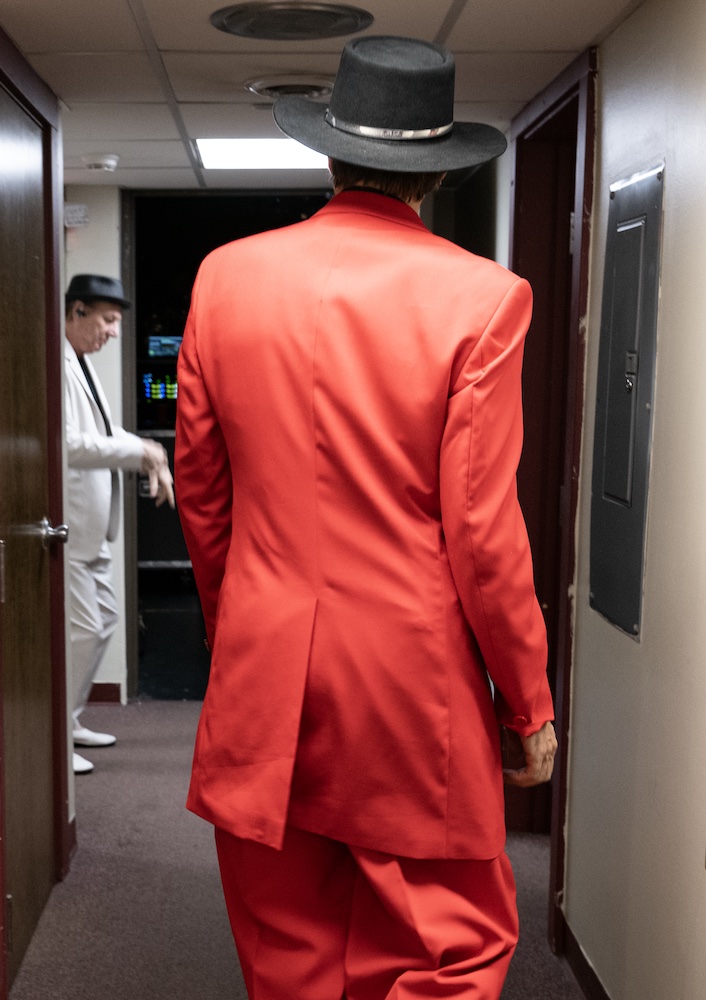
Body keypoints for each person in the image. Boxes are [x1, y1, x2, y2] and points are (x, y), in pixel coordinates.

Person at [174, 35, 557, 1000]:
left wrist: (238, 631)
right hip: (406, 685)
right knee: (452, 950)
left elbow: (203, 491)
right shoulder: (484, 298)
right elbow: (482, 531)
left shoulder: (224, 276)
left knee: (288, 951)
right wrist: (526, 703)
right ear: (435, 175)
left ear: (330, 157)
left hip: (262, 667)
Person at [64, 274, 175, 775]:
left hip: (95, 527)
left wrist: (151, 453)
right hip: (70, 526)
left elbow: (106, 432)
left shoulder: (83, 362)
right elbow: (69, 444)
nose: (112, 332)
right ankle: (54, 734)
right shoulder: (56, 364)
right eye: (107, 321)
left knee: (105, 621)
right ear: (77, 311)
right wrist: (140, 453)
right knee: (84, 629)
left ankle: (70, 721)